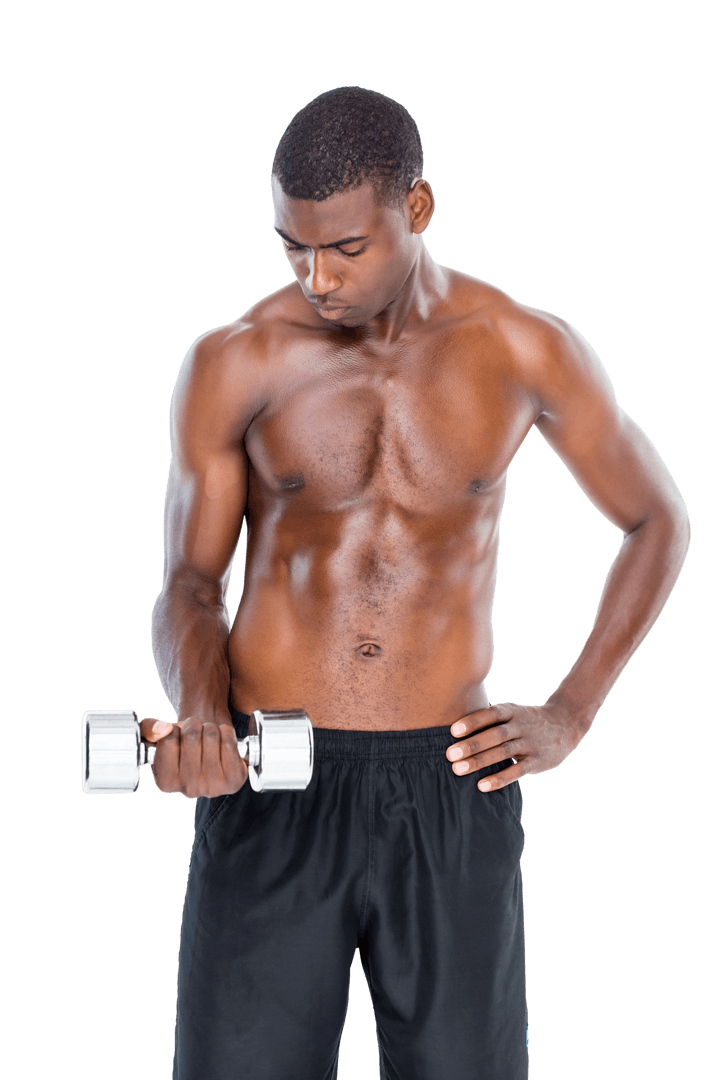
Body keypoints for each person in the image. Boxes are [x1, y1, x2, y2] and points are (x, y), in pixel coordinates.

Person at [145, 87, 690, 1080]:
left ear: (418, 209)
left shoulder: (524, 347)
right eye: (291, 247)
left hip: (452, 780)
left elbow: (658, 521)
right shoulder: (236, 360)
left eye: (345, 249)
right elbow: (188, 580)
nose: (316, 276)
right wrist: (202, 714)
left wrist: (573, 710)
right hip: (275, 775)